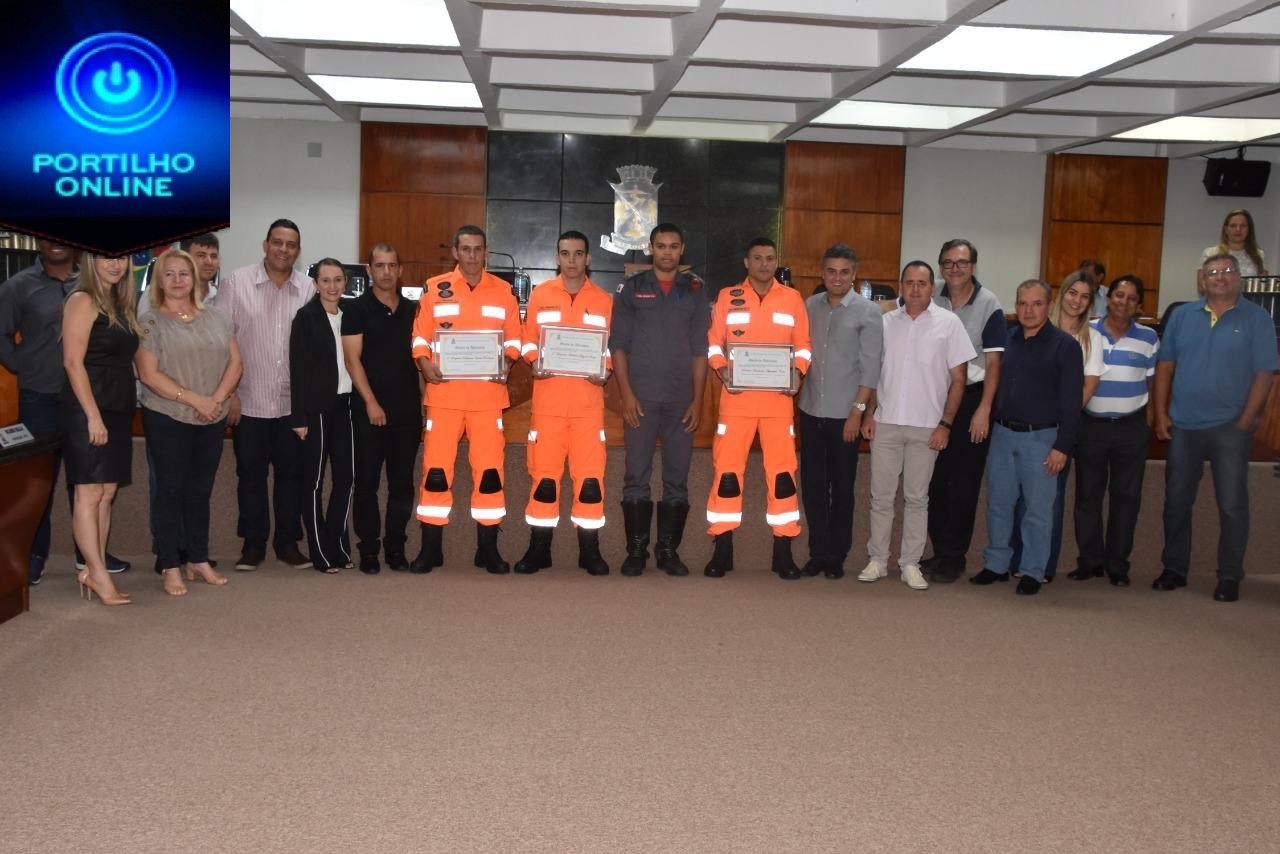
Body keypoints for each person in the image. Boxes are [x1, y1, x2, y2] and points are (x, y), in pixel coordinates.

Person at [0, 241, 132, 583]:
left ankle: (88, 560)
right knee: (38, 482)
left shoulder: (106, 293)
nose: (114, 263)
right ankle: (33, 554)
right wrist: (24, 366)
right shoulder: (20, 286)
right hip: (43, 395)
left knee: (95, 486)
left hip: (99, 399)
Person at [1152, 254, 1277, 602]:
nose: (1220, 277)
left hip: (1229, 429)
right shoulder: (1182, 315)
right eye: (1212, 272)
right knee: (1176, 501)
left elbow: (1264, 374)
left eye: (1227, 271)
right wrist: (1160, 414)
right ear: (1201, 280)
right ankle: (1174, 568)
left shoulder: (1256, 319)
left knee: (1232, 504)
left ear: (1239, 277)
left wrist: (1244, 421)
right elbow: (1165, 366)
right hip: (1184, 425)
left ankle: (1230, 575)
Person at [409, 226, 521, 574]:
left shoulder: (503, 291)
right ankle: (431, 550)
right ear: (455, 253)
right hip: (444, 398)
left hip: (488, 399)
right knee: (436, 473)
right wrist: (425, 362)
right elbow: (419, 338)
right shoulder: (434, 288)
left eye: (478, 249)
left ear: (486, 252)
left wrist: (507, 360)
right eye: (466, 249)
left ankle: (487, 550)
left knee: (489, 474)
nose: (472, 256)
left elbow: (516, 341)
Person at [860, 261, 973, 590]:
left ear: (932, 288)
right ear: (900, 286)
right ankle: (878, 560)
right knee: (880, 497)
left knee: (916, 499)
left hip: (927, 427)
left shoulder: (949, 324)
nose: (915, 289)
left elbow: (959, 381)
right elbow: (874, 374)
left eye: (922, 283)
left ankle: (910, 563)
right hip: (886, 423)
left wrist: (946, 424)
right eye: (909, 283)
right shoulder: (884, 323)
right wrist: (869, 414)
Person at [135, 249, 241, 596]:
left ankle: (197, 558)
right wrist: (196, 400)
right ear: (160, 281)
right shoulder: (151, 321)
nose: (178, 280)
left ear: (195, 278)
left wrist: (217, 399)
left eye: (184, 273)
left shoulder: (218, 317)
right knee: (170, 491)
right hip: (169, 417)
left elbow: (235, 363)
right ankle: (169, 564)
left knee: (199, 492)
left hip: (211, 417)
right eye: (170, 274)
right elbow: (148, 374)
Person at [704, 237, 812, 579]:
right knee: (727, 477)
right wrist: (722, 369)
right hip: (736, 403)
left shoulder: (792, 299)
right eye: (758, 258)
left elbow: (804, 346)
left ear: (775, 261)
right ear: (746, 262)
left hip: (778, 405)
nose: (764, 264)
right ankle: (722, 551)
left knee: (782, 479)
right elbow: (713, 344)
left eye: (770, 258)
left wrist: (798, 372)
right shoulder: (727, 297)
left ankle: (783, 553)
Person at [970, 279, 1082, 597]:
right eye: (1021, 303)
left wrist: (1062, 446)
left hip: (1043, 438)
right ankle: (996, 565)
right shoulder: (1008, 340)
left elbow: (1072, 403)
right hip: (1003, 435)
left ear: (1049, 306)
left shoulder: (1065, 346)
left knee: (1037, 510)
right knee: (999, 505)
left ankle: (1033, 570)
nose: (1028, 310)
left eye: (1035, 304)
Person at [610, 223, 710, 577]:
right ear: (650, 248)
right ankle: (636, 550)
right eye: (661, 246)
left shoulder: (696, 290)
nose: (667, 252)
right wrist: (625, 394)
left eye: (673, 246)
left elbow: (701, 350)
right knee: (635, 474)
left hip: (681, 399)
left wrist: (698, 401)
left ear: (682, 250)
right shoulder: (632, 289)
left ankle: (667, 550)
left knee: (677, 477)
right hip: (641, 397)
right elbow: (618, 345)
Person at [516, 230, 615, 575]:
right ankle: (538, 549)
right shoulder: (541, 296)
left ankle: (590, 552)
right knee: (544, 479)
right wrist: (534, 362)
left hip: (588, 407)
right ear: (556, 257)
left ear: (588, 258)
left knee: (590, 481)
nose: (571, 260)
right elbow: (527, 342)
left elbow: (610, 350)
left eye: (578, 254)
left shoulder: (604, 300)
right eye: (565, 253)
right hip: (549, 406)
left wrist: (606, 370)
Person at [218, 219, 314, 571]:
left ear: (298, 251)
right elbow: (221, 343)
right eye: (277, 242)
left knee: (292, 477)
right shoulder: (235, 284)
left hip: (292, 405)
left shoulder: (308, 289)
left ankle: (287, 544)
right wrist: (229, 394)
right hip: (249, 401)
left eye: (291, 245)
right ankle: (253, 545)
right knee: (251, 476)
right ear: (265, 245)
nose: (283, 250)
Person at [1008, 271, 1104, 581]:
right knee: (1021, 497)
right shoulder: (1029, 329)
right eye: (1072, 293)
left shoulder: (1090, 338)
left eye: (1084, 296)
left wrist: (1061, 426)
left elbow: (1086, 389)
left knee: (1048, 501)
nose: (1076, 300)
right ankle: (1018, 559)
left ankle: (1041, 567)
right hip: (1025, 427)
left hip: (1059, 427)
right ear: (1058, 297)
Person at [923, 239, 1006, 583]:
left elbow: (994, 362)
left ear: (973, 265)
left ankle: (954, 557)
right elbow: (896, 308)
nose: (954, 268)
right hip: (934, 401)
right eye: (948, 262)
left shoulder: (989, 304)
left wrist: (984, 409)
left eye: (962, 262)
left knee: (963, 483)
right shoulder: (931, 295)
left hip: (972, 401)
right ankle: (940, 549)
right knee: (934, 481)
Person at [796, 243, 881, 580]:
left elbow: (871, 369)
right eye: (831, 270)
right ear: (823, 272)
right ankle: (818, 552)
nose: (837, 277)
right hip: (810, 409)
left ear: (854, 274)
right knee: (813, 485)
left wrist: (857, 413)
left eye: (844, 271)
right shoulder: (808, 306)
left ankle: (836, 554)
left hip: (846, 415)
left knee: (842, 488)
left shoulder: (868, 312)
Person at [60, 255, 141, 605]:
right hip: (88, 408)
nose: (116, 264)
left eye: (121, 257)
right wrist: (92, 415)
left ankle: (96, 570)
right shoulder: (82, 299)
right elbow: (72, 362)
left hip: (118, 407)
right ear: (92, 260)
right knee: (89, 493)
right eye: (108, 257)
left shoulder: (121, 303)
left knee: (107, 491)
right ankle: (97, 574)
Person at [1071, 275, 1159, 587]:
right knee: (1088, 496)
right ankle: (1089, 561)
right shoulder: (1087, 330)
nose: (1123, 302)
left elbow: (1152, 383)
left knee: (1126, 497)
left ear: (1139, 305)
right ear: (1108, 299)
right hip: (1091, 424)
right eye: (1118, 295)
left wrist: (1149, 421)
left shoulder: (1149, 338)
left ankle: (1117, 563)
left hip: (1131, 427)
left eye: (1131, 298)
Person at [342, 243, 421, 574]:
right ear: (369, 271)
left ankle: (395, 547)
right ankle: (369, 549)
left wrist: (425, 403)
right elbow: (351, 360)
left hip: (407, 411)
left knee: (402, 484)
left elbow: (421, 360)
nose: (386, 271)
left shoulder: (414, 310)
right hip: (369, 411)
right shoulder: (356, 309)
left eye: (392, 265)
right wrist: (371, 402)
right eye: (380, 265)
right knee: (367, 483)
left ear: (400, 270)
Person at [289, 259, 356, 574]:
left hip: (345, 407)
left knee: (345, 478)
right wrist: (298, 417)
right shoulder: (305, 318)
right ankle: (319, 551)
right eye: (326, 280)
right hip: (315, 409)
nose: (332, 286)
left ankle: (338, 546)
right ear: (315, 283)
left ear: (345, 283)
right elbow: (298, 369)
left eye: (338, 280)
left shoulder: (351, 315)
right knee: (314, 482)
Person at [1201, 209, 1266, 278]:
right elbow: (1202, 285)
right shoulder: (1210, 253)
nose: (1238, 229)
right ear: (1226, 229)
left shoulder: (1259, 255)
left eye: (1243, 226)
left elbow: (1264, 284)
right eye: (1233, 226)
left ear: (1249, 229)